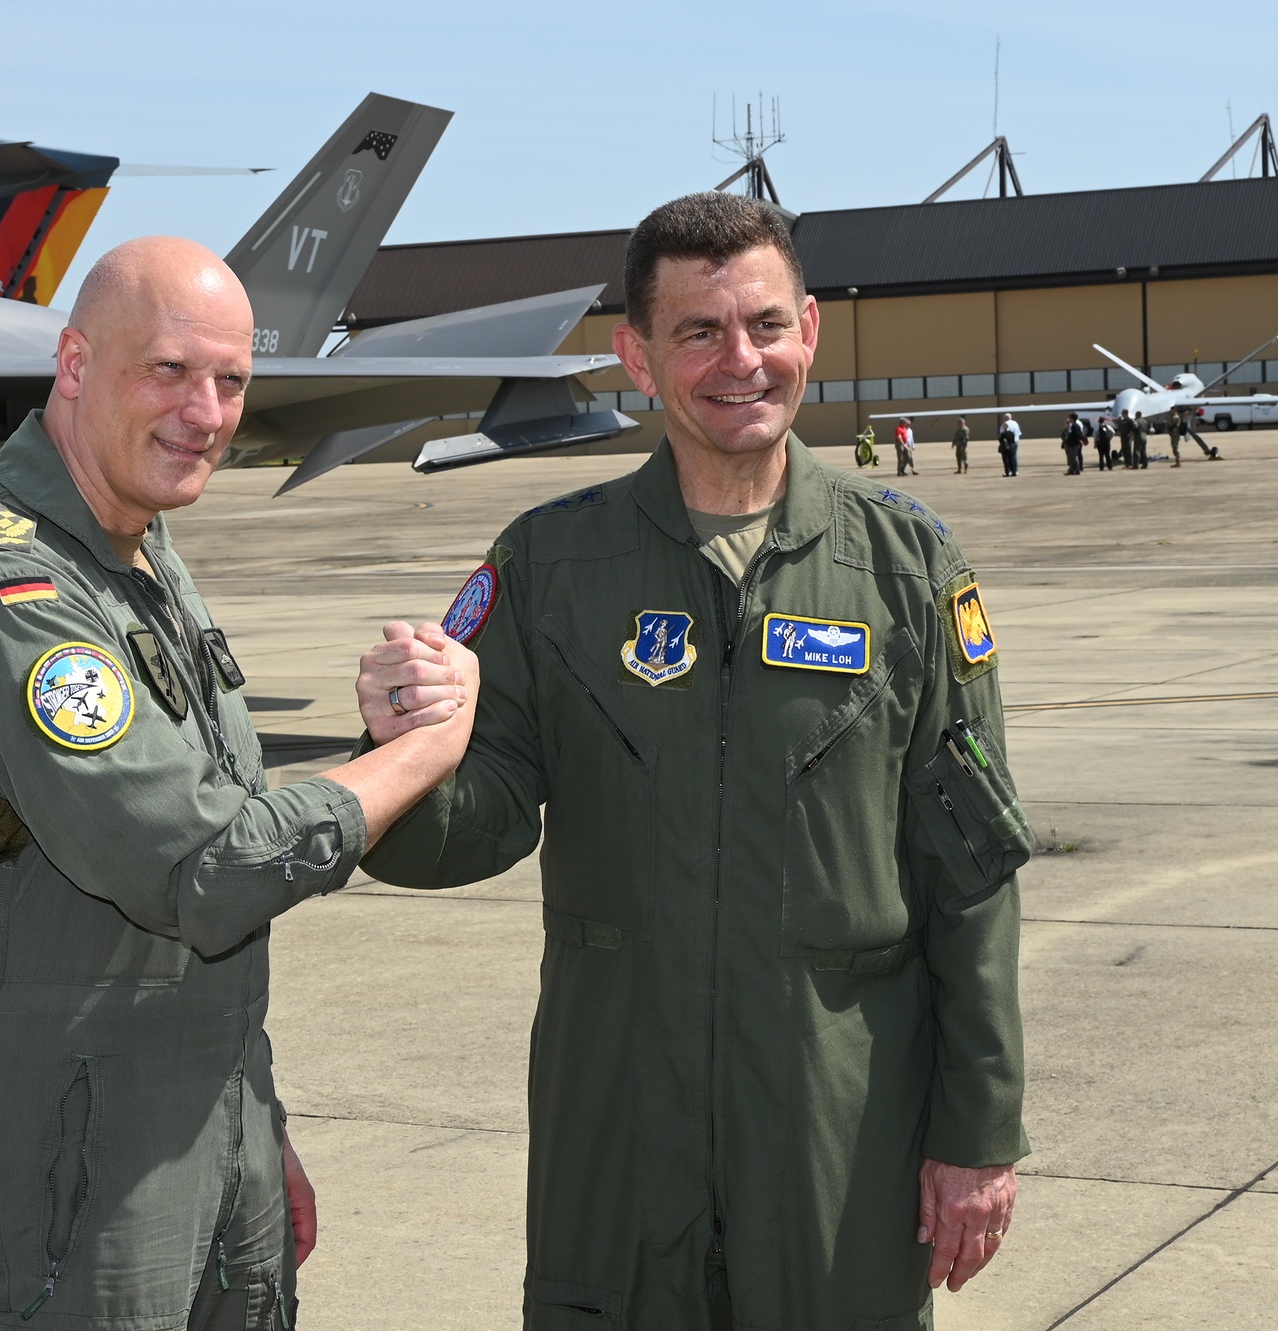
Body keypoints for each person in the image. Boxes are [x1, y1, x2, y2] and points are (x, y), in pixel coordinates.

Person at [356, 193, 1030, 1329]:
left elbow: (968, 873)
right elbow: (474, 822)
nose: (740, 360)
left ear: (809, 329)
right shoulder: (551, 565)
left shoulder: (906, 566)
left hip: (837, 1118)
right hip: (618, 1118)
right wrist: (405, 746)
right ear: (635, 354)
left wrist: (976, 1131)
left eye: (764, 324)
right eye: (697, 332)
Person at [0, 236, 482, 1329]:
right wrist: (416, 754)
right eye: (167, 370)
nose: (205, 411)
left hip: (197, 1121)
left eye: (231, 380)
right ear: (72, 364)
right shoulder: (6, 589)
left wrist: (256, 1125)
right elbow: (202, 869)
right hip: (61, 1151)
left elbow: (208, 852)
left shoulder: (137, 552)